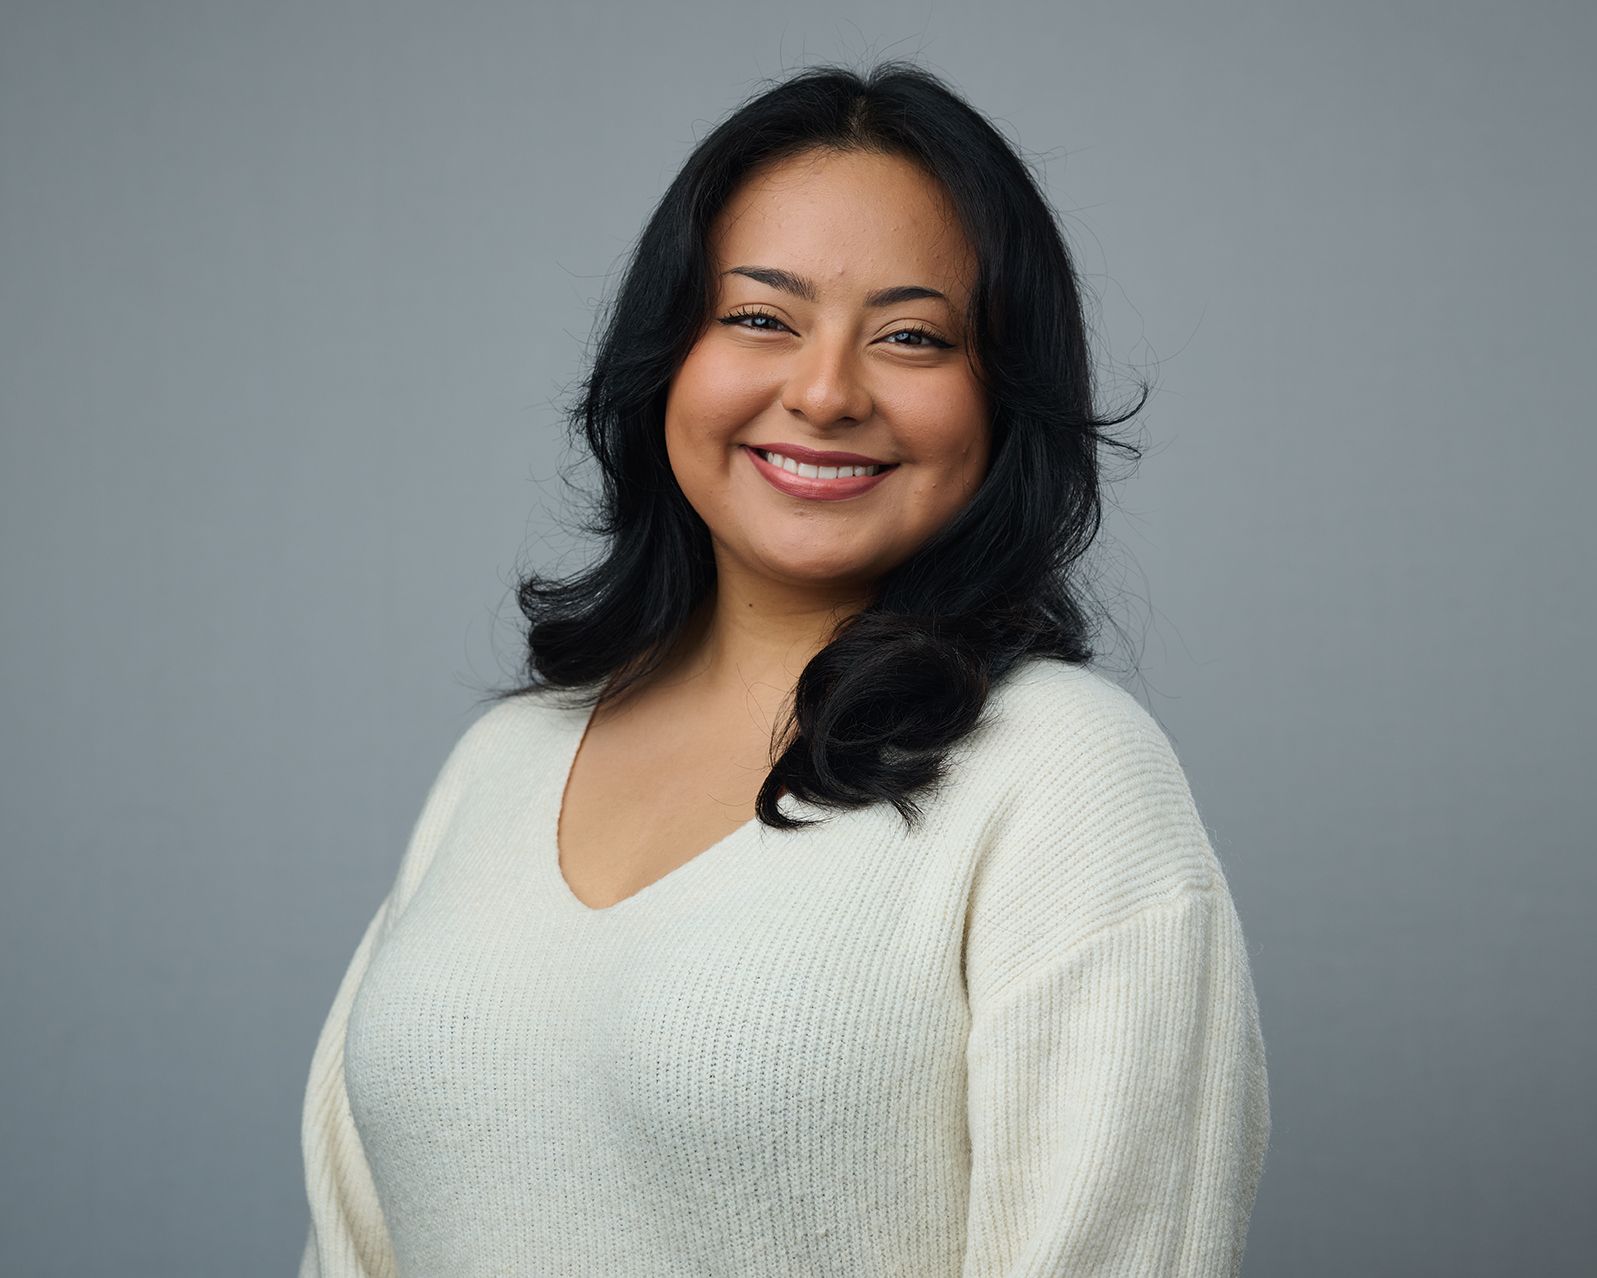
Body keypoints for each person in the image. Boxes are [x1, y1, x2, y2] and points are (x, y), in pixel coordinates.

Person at [297, 60, 1271, 1277]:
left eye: (912, 337)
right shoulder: (503, 758)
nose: (822, 392)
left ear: (1003, 398)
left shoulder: (1063, 777)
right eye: (760, 317)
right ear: (668, 358)